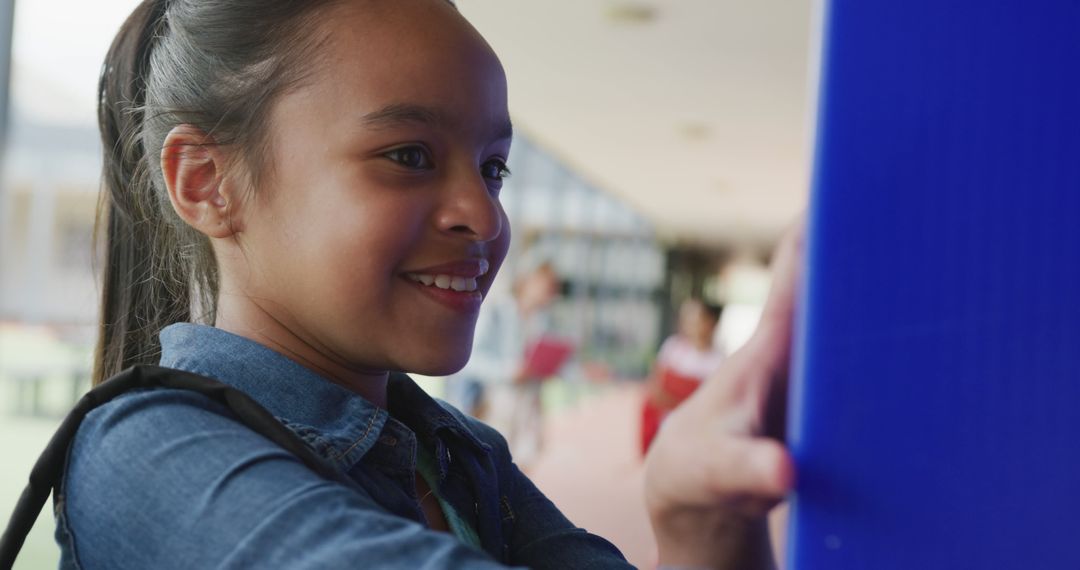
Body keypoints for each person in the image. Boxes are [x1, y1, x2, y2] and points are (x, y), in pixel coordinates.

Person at [58, 0, 800, 568]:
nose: (483, 214)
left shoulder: (457, 452)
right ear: (206, 182)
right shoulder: (146, 453)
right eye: (410, 155)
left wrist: (711, 529)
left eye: (493, 167)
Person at [455, 260, 563, 465]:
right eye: (545, 285)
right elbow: (470, 360)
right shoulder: (497, 313)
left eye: (552, 287)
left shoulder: (545, 320)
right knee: (491, 465)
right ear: (527, 281)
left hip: (529, 408)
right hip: (495, 405)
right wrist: (509, 371)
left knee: (521, 469)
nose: (549, 292)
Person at [640, 298, 726, 455]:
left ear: (711, 322)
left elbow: (712, 406)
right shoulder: (672, 348)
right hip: (665, 429)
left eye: (697, 318)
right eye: (687, 318)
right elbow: (654, 390)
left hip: (696, 434)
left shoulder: (718, 361)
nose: (690, 324)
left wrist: (674, 398)